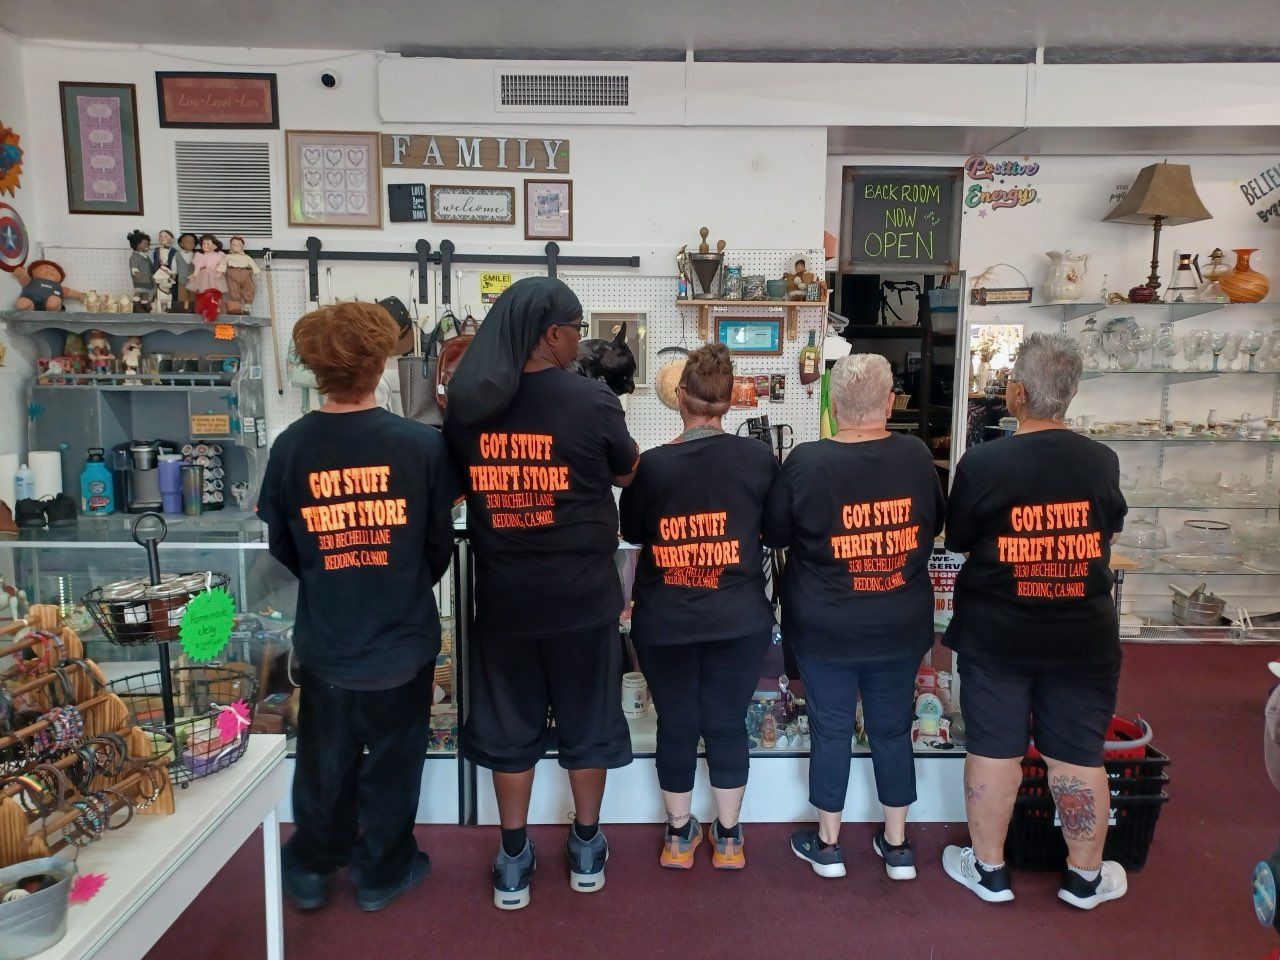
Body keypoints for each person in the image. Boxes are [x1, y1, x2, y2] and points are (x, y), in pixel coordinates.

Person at [443, 276, 639, 911]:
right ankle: (585, 847)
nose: (580, 340)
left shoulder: (471, 405)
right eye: (577, 329)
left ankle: (512, 857)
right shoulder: (592, 402)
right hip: (582, 598)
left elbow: (456, 486)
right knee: (588, 720)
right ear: (552, 334)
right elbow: (627, 468)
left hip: (505, 599)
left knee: (509, 727)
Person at [257, 301, 457, 914]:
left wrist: (332, 578)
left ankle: (313, 869)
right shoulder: (420, 445)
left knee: (323, 763)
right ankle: (380, 874)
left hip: (328, 639)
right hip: (401, 640)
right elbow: (436, 546)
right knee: (395, 766)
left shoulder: (292, 446)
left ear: (316, 368)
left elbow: (282, 542)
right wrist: (395, 582)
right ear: (380, 363)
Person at [940, 332, 1128, 910]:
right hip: (1080, 631)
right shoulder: (1101, 459)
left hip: (998, 631)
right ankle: (1084, 878)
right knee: (1076, 752)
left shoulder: (984, 461)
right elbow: (1109, 531)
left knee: (994, 748)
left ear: (1017, 391)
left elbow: (961, 539)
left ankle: (991, 870)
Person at [765, 353, 944, 881]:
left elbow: (774, 534)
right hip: (899, 621)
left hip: (826, 626)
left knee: (831, 729)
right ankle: (897, 846)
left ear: (833, 405)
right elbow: (935, 525)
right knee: (892, 729)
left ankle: (828, 846)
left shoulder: (805, 462)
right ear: (889, 403)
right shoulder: (914, 456)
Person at [618, 343, 777, 870]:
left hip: (666, 620)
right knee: (728, 722)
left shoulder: (653, 465)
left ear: (680, 398)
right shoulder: (758, 458)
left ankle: (679, 837)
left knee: (678, 723)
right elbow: (774, 531)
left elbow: (633, 532)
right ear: (730, 402)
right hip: (739, 618)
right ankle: (728, 839)